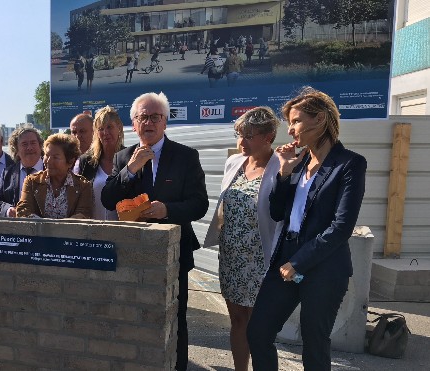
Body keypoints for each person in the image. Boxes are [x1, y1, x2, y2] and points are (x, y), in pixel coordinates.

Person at [247, 87, 367, 371]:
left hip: (323, 266)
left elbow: (341, 226)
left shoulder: (349, 164)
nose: (290, 131)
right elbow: (277, 212)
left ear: (321, 119)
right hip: (285, 258)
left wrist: (299, 262)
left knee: (314, 344)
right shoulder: (298, 163)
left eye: (296, 121)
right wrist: (284, 173)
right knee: (258, 333)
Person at [101, 92, 209, 370]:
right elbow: (107, 199)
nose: (148, 122)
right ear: (134, 123)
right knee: (135, 316)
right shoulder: (123, 157)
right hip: (131, 253)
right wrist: (131, 169)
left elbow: (199, 204)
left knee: (175, 318)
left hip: (175, 254)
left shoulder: (186, 156)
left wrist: (167, 210)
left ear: (165, 123)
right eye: (142, 117)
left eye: (155, 117)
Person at [203, 107, 281, 371]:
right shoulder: (234, 162)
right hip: (232, 257)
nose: (241, 142)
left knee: (259, 327)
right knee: (237, 320)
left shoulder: (281, 167)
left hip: (262, 260)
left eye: (249, 136)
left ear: (268, 136)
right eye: (239, 135)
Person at [17, 133, 92, 219]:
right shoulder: (32, 182)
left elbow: (83, 215)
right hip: (37, 232)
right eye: (47, 155)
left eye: (55, 157)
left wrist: (56, 228)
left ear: (70, 162)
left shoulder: (83, 185)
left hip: (69, 232)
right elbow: (23, 211)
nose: (48, 161)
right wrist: (46, 227)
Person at [74, 105, 125, 220]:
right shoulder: (86, 161)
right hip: (93, 231)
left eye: (109, 127)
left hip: (123, 231)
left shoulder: (129, 157)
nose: (105, 132)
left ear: (119, 128)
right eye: (101, 129)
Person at [0, 127, 44, 217]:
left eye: (33, 143)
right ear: (16, 149)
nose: (29, 148)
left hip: (46, 228)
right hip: (16, 228)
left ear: (40, 146)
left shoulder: (51, 169)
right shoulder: (8, 173)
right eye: (24, 144)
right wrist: (8, 210)